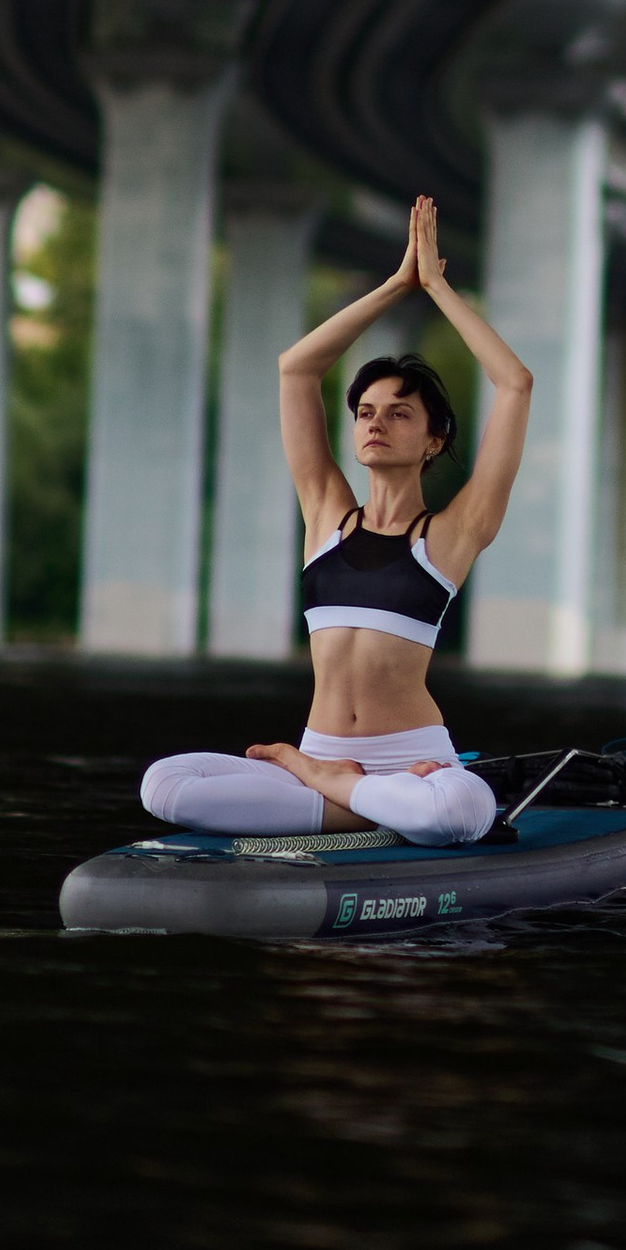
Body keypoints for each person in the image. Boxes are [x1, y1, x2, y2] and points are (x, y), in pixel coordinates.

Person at [137, 194, 532, 850]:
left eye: (399, 412)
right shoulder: (324, 513)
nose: (376, 421)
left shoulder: (452, 535)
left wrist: (434, 287)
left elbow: (514, 383)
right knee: (163, 785)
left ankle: (335, 788)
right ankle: (351, 796)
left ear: (434, 440)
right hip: (324, 759)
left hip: (411, 761)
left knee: (460, 808)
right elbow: (297, 368)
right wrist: (392, 285)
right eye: (367, 411)